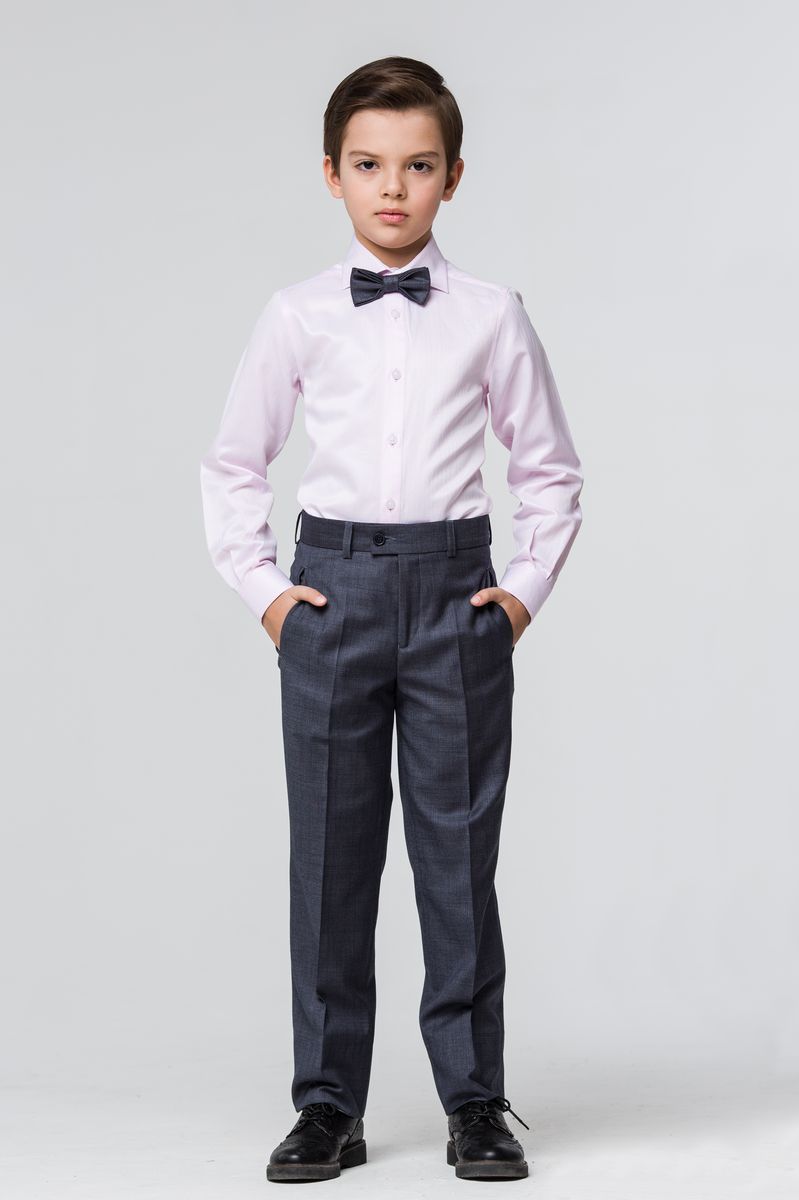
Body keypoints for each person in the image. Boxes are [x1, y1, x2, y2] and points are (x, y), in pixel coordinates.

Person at [200, 55, 584, 1184]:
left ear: (451, 176)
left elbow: (550, 469)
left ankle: (474, 1102)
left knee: (457, 860)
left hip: (454, 596)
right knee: (329, 861)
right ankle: (327, 1105)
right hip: (332, 594)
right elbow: (233, 462)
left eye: (417, 166)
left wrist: (518, 595)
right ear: (332, 174)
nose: (392, 188)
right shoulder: (297, 315)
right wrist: (269, 594)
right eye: (369, 165)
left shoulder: (492, 315)